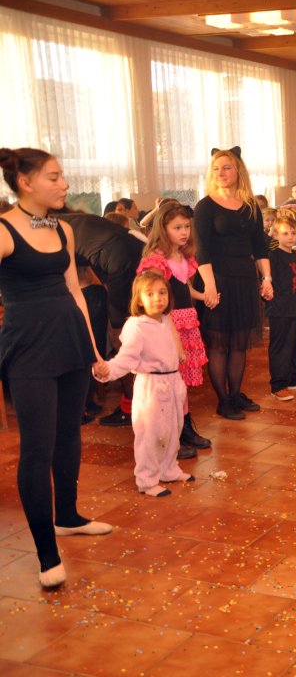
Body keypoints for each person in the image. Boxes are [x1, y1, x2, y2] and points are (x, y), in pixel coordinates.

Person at [0, 147, 112, 588]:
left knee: (69, 434)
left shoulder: (62, 228)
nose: (64, 184)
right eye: (54, 177)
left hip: (70, 340)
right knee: (37, 448)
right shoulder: (5, 230)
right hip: (29, 349)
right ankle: (47, 555)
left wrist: (94, 348)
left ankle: (67, 515)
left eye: (62, 175)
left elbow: (75, 291)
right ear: (25, 183)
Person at [95, 271, 193, 497]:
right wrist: (107, 371)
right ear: (139, 300)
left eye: (162, 293)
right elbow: (126, 358)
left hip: (172, 382)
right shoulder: (136, 326)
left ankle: (168, 469)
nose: (157, 298)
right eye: (150, 294)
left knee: (173, 429)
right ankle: (147, 480)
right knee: (150, 434)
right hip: (151, 387)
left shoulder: (166, 320)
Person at [194, 148, 272, 420]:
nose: (221, 173)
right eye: (216, 168)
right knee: (219, 343)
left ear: (238, 171)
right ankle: (223, 400)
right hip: (217, 280)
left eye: (226, 167)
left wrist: (267, 278)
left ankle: (236, 394)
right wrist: (209, 286)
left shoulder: (250, 206)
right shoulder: (205, 206)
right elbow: (201, 251)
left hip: (244, 280)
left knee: (239, 341)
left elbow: (260, 247)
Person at [135, 201, 211, 458]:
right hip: (168, 326)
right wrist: (171, 336)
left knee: (180, 383)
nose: (184, 232)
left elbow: (183, 288)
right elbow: (155, 300)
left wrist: (203, 296)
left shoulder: (182, 256)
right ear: (163, 228)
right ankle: (168, 438)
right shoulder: (156, 259)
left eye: (187, 227)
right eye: (177, 227)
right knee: (166, 385)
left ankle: (184, 428)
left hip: (186, 321)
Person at [62, 212, 145, 426]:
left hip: (120, 262)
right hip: (132, 255)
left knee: (120, 336)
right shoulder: (76, 219)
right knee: (131, 333)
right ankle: (135, 403)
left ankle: (132, 406)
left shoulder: (44, 223)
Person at [265, 217, 296, 401]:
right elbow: (269, 280)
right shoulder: (273, 256)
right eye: (285, 233)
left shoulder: (293, 254)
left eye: (293, 233)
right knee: (280, 347)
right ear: (275, 235)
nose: (290, 237)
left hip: (293, 307)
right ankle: (278, 385)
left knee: (295, 344)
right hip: (279, 309)